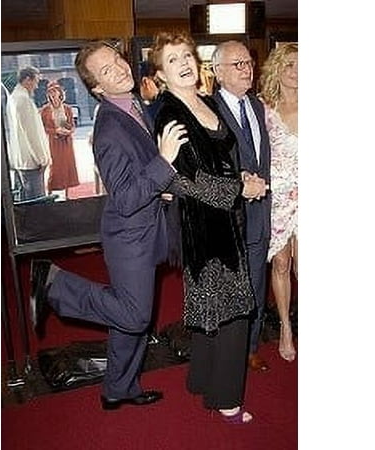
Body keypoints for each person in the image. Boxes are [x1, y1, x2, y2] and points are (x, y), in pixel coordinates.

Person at [29, 41, 187, 411]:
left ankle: (119, 388)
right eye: (105, 70)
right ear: (96, 88)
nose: (118, 68)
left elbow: (140, 176)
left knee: (127, 320)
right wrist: (164, 162)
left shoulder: (135, 107)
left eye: (117, 59)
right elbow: (127, 198)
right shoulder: (108, 130)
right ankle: (54, 284)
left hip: (147, 231)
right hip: (129, 237)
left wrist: (162, 187)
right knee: (135, 315)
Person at [150, 31, 266, 424]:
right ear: (161, 74)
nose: (183, 63)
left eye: (185, 55)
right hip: (203, 226)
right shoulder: (168, 112)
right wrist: (240, 187)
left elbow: (219, 157)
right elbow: (186, 179)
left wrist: (240, 175)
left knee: (211, 307)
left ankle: (200, 378)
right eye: (172, 60)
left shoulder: (200, 100)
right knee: (233, 312)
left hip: (225, 218)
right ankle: (226, 398)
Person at [212, 41, 272, 372]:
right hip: (227, 216)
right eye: (238, 64)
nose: (247, 68)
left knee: (257, 283)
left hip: (259, 213)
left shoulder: (258, 106)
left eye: (249, 62)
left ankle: (250, 346)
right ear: (218, 71)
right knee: (229, 287)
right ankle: (227, 350)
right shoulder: (207, 110)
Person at [259, 43, 298, 362]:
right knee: (281, 263)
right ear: (277, 70)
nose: (296, 71)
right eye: (289, 65)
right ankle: (285, 326)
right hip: (278, 197)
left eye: (301, 65)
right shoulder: (264, 107)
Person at [6, 66, 51, 201]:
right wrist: (41, 159)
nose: (37, 86)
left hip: (22, 160)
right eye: (36, 81)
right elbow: (31, 134)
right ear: (27, 80)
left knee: (25, 202)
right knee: (37, 205)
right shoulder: (23, 100)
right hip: (31, 162)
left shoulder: (14, 97)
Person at [40, 80, 80, 200]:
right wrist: (55, 131)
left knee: (67, 165)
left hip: (66, 142)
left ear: (60, 93)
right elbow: (43, 128)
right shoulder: (45, 110)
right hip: (54, 142)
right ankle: (51, 192)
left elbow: (72, 125)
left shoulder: (67, 108)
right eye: (50, 92)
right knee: (55, 166)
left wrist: (69, 131)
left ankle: (67, 194)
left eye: (55, 92)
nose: (53, 94)